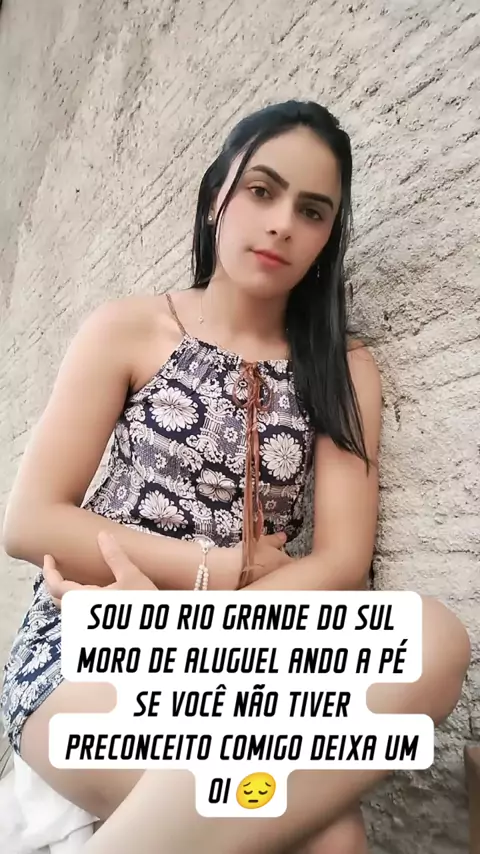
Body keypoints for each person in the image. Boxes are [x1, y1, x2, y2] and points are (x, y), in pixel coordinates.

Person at [1, 100, 470, 854]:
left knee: (434, 638)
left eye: (311, 211)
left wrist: (187, 623)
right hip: (88, 642)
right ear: (217, 193)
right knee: (330, 838)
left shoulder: (342, 369)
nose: (283, 224)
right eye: (262, 190)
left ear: (327, 237)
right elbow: (31, 523)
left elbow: (341, 564)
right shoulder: (128, 329)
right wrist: (216, 572)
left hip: (237, 646)